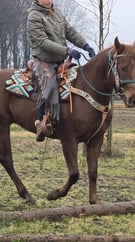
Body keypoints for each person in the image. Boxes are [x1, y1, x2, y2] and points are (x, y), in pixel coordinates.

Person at [27, 0, 95, 142]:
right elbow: (42, 41)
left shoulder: (57, 12)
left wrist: (85, 45)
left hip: (60, 60)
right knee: (50, 85)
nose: (49, 0)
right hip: (43, 60)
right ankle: (42, 122)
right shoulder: (34, 16)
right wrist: (67, 50)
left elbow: (70, 31)